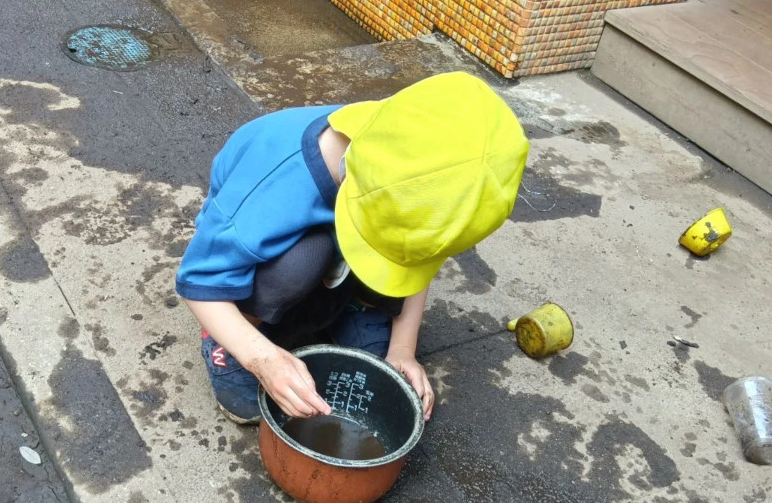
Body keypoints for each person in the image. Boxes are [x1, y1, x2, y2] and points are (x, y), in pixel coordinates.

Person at [174, 71, 528, 425]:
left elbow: (421, 255)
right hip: (264, 256)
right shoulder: (271, 189)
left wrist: (403, 350)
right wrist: (260, 357)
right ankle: (226, 345)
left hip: (335, 248)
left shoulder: (418, 156)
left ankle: (354, 305)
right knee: (303, 260)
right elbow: (198, 282)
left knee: (375, 276)